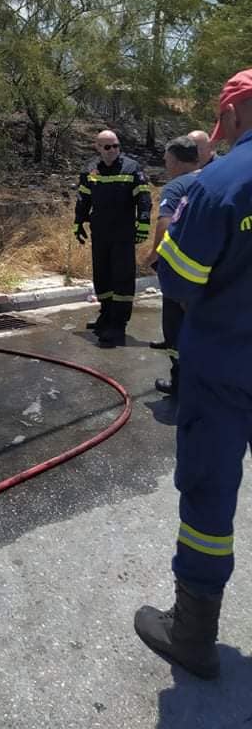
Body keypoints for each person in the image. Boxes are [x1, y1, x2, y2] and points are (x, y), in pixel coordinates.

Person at [134, 69, 252, 680]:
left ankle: (194, 630)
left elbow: (177, 280)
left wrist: (176, 239)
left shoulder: (221, 183)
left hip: (228, 368)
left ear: (231, 117)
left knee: (209, 493)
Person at [74, 130, 152, 348]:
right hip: (100, 234)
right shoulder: (91, 170)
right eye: (107, 147)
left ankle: (118, 326)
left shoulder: (132, 168)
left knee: (122, 279)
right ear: (97, 147)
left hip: (123, 235)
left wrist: (143, 225)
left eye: (116, 146)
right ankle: (106, 316)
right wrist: (78, 222)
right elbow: (84, 198)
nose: (113, 151)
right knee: (102, 277)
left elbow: (144, 199)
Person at [145, 136, 199, 398]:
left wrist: (153, 255)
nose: (165, 165)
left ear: (176, 160)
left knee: (175, 329)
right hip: (208, 271)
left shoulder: (176, 187)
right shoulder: (212, 179)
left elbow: (165, 224)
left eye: (166, 160)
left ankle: (179, 384)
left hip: (179, 272)